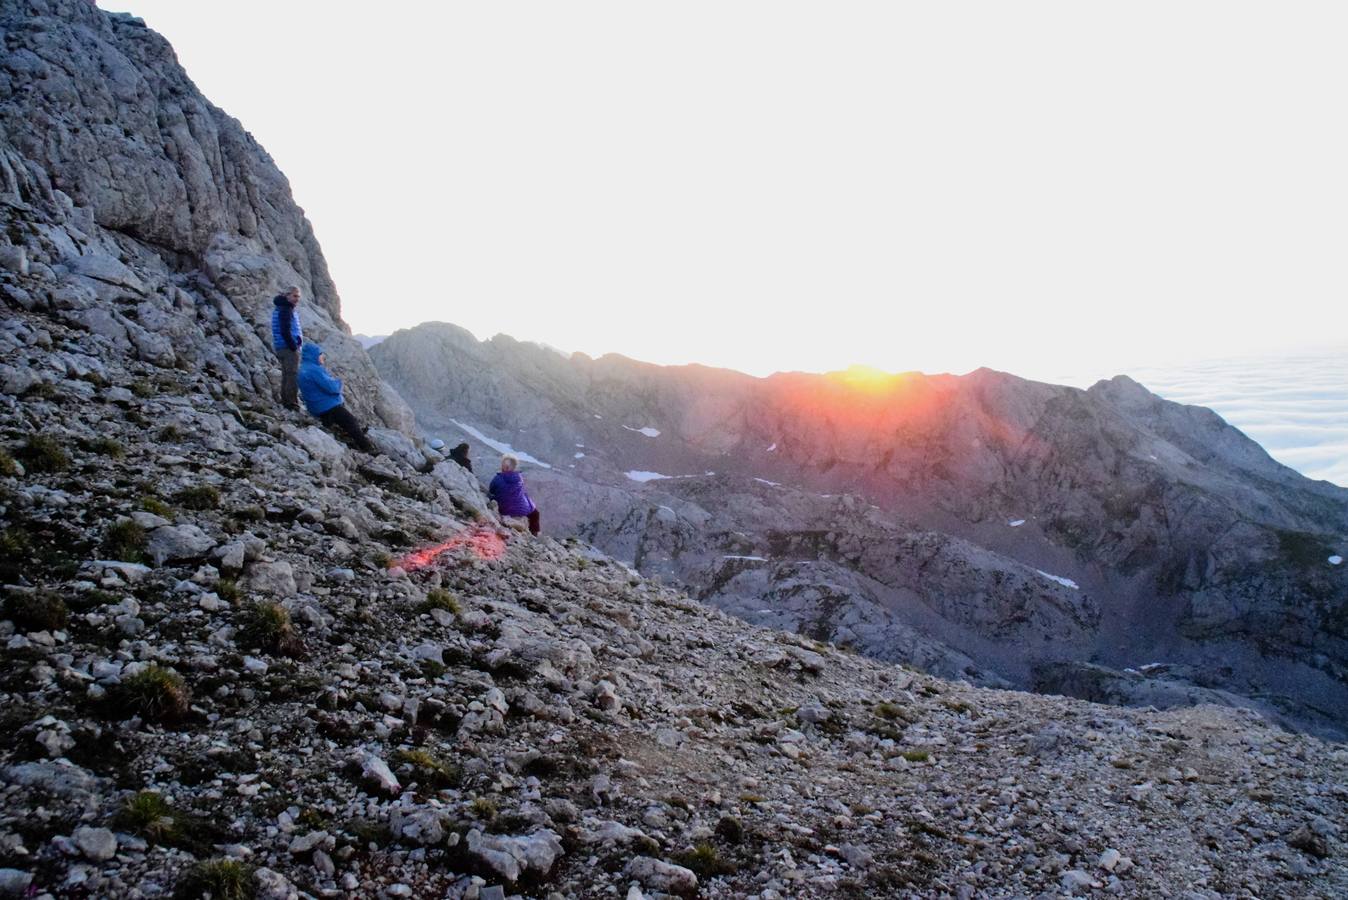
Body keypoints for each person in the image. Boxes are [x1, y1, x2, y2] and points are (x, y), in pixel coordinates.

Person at [297, 342, 377, 454]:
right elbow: (333, 388)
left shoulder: (303, 368)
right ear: (314, 355)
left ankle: (346, 430)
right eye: (320, 354)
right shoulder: (315, 370)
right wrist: (339, 382)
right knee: (351, 421)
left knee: (344, 416)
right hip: (326, 407)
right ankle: (367, 447)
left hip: (315, 407)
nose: (322, 356)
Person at [270, 285, 303, 410]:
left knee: (286, 374)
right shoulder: (286, 309)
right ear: (286, 295)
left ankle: (285, 400)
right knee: (292, 375)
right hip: (288, 348)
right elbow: (285, 331)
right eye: (294, 296)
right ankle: (291, 403)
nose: (297, 299)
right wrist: (294, 347)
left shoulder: (281, 308)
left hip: (281, 347)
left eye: (298, 296)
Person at [488, 454, 539, 535]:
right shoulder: (519, 478)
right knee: (535, 513)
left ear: (505, 467)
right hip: (521, 510)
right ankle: (534, 534)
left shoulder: (497, 478)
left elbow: (491, 490)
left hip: (503, 508)